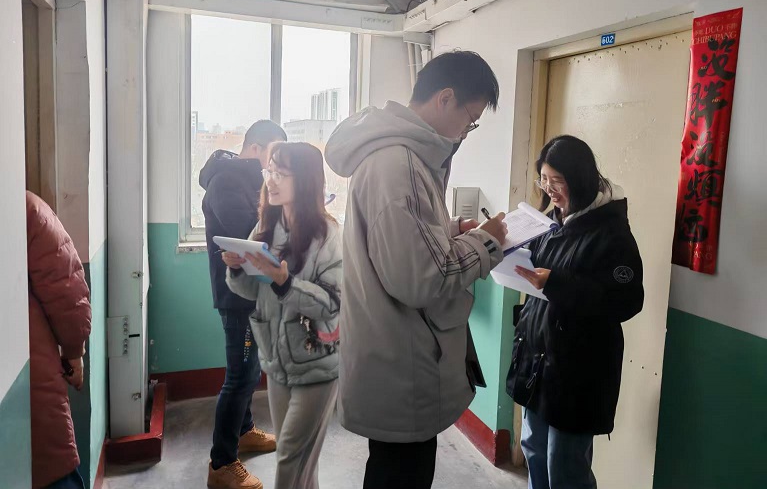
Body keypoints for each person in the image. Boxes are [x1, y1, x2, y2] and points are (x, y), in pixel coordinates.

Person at [324, 50, 508, 489]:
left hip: (390, 353)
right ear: (445, 98)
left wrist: (449, 231)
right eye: (470, 119)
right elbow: (423, 279)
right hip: (402, 362)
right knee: (401, 474)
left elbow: (402, 245)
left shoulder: (398, 157)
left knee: (392, 469)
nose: (466, 132)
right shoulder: (400, 164)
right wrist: (487, 242)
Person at [507, 135, 644, 489]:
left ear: (580, 179)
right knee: (534, 449)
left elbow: (626, 301)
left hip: (578, 371)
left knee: (565, 465)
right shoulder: (551, 223)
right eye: (544, 179)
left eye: (557, 180)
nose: (549, 189)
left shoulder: (611, 233)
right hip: (539, 361)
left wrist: (556, 283)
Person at [223, 142, 342, 489]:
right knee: (302, 465)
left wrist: (285, 282)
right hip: (277, 364)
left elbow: (332, 304)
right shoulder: (266, 227)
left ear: (304, 180)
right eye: (269, 171)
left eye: (281, 173)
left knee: (290, 456)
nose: (270, 181)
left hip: (317, 364)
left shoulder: (329, 235)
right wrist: (237, 269)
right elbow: (252, 292)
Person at [201, 120, 286, 489]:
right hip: (237, 296)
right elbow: (247, 232)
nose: (274, 165)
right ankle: (221, 463)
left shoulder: (243, 178)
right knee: (241, 376)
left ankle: (245, 430)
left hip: (249, 291)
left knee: (250, 371)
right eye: (273, 154)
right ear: (255, 148)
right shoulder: (227, 181)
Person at [26, 191, 92, 489]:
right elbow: (68, 293)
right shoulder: (26, 209)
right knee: (52, 470)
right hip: (32, 383)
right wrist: (74, 351)